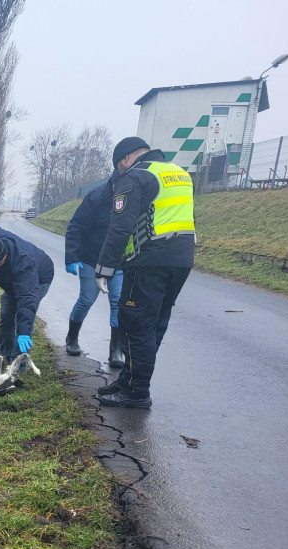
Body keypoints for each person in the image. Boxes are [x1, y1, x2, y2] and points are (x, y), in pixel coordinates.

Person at [95, 136, 195, 409]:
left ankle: (137, 392)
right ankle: (128, 381)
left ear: (126, 159)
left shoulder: (137, 176)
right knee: (154, 326)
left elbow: (120, 226)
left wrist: (104, 269)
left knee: (136, 326)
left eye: (119, 166)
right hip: (182, 260)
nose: (120, 172)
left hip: (148, 260)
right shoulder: (179, 173)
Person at [63, 171, 125, 367]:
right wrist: (71, 256)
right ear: (114, 184)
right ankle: (72, 338)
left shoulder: (132, 199)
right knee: (87, 299)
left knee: (118, 303)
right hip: (91, 259)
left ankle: (116, 350)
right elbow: (76, 226)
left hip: (118, 261)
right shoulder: (96, 197)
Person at [0, 225, 54, 363]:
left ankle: (17, 366)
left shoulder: (24, 263)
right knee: (6, 317)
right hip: (11, 281)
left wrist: (24, 332)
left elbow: (27, 299)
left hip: (39, 278)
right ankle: (4, 356)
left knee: (21, 321)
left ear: (5, 254)